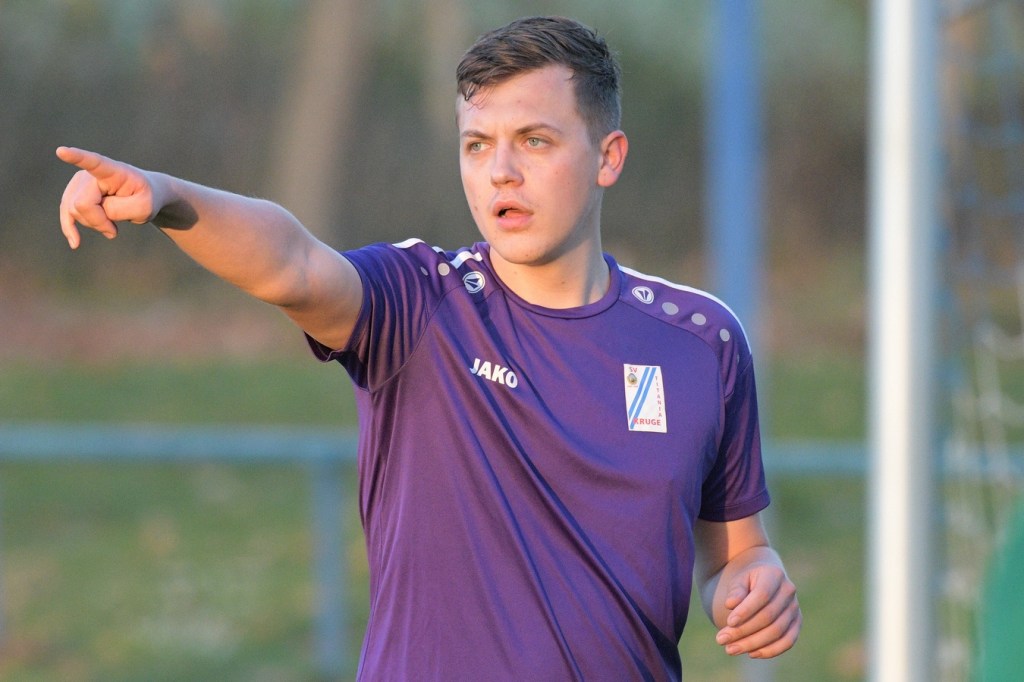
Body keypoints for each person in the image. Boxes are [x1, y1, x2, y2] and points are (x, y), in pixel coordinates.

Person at [57, 15, 800, 680]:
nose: (501, 171)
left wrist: (753, 584)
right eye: (478, 145)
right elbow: (293, 264)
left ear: (608, 157)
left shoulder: (702, 341)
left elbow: (736, 552)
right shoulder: (422, 302)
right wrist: (167, 197)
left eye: (534, 141)